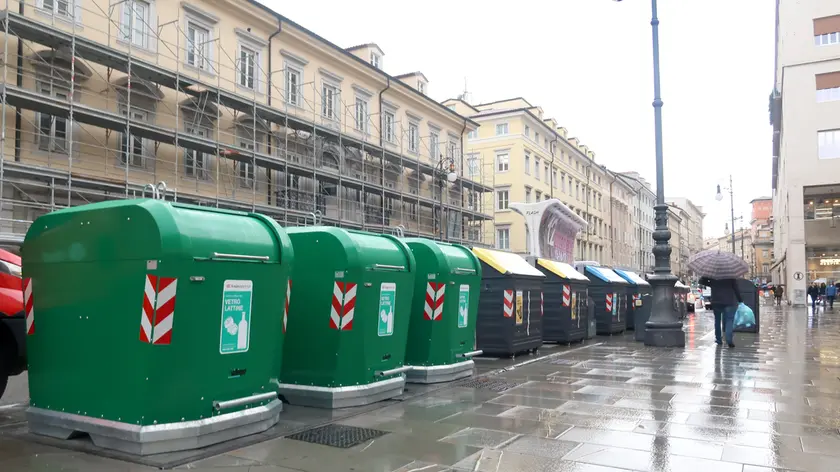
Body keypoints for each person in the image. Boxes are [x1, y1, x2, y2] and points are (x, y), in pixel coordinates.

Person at [699, 276, 743, 348]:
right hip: (729, 301)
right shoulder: (730, 274)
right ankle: (729, 339)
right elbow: (736, 288)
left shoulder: (713, 274)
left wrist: (711, 283)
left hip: (716, 301)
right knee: (729, 320)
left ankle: (718, 340)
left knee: (717, 320)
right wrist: (740, 300)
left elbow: (701, 281)